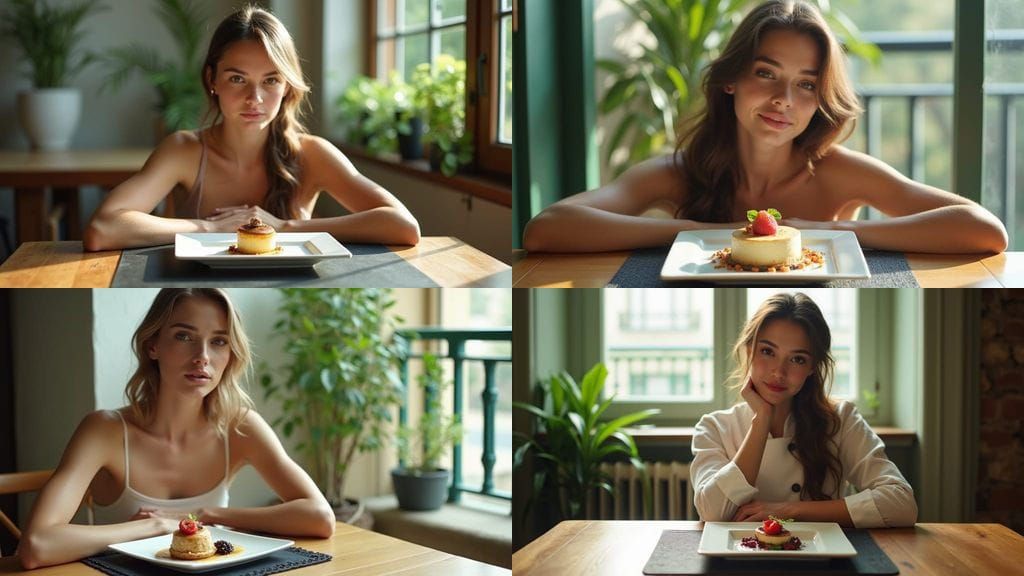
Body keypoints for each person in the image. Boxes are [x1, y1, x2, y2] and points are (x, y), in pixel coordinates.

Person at [522, 0, 1007, 254]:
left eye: (806, 85)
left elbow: (985, 232)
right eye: (766, 74)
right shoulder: (679, 171)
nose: (783, 100)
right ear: (731, 79)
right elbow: (546, 230)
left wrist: (833, 234)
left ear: (820, 99)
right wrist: (695, 234)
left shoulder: (840, 173)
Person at [18, 289, 335, 569]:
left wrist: (210, 514)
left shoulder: (240, 426)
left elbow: (320, 518)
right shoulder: (105, 431)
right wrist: (150, 526)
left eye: (219, 341)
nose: (203, 357)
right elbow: (37, 547)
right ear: (153, 345)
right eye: (184, 336)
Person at [84, 6, 420, 251]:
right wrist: (211, 227)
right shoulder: (184, 150)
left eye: (271, 80)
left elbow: (403, 226)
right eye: (237, 78)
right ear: (212, 80)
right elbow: (103, 228)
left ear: (287, 86)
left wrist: (285, 227)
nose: (254, 98)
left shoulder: (312, 154)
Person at [690, 292, 917, 528]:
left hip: (823, 556)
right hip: (738, 559)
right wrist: (761, 421)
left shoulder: (841, 419)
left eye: (797, 359)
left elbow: (901, 503)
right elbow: (712, 513)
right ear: (749, 351)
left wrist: (788, 511)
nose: (779, 373)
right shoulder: (714, 427)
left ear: (812, 368)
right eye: (768, 351)